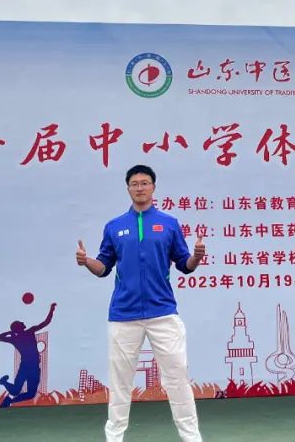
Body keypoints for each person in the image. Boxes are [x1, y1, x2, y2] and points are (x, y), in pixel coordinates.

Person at [76, 164, 205, 442]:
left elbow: (184, 264)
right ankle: (114, 438)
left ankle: (192, 438)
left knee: (177, 379)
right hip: (124, 315)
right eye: (134, 184)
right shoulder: (114, 226)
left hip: (163, 313)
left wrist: (197, 257)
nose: (140, 188)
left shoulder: (169, 224)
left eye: (145, 183)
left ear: (153, 187)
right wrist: (87, 262)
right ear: (128, 189)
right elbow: (103, 267)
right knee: (120, 383)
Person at [0, 302, 56, 407]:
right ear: (19, 327)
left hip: (29, 366)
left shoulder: (16, 337)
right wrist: (51, 310)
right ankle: (5, 385)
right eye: (21, 323)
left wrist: (10, 332)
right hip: (28, 366)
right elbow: (46, 322)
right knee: (19, 392)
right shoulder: (26, 333)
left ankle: (8, 399)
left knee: (26, 393)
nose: (23, 322)